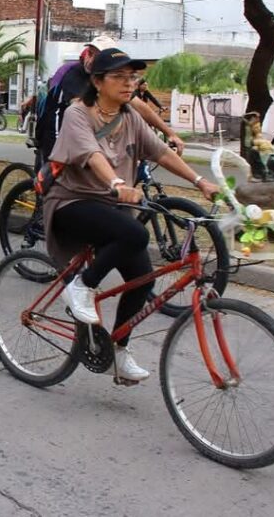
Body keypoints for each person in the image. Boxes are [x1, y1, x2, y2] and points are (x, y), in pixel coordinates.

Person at [43, 48, 219, 382]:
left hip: (110, 206)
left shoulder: (131, 117)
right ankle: (82, 285)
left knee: (142, 278)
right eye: (119, 77)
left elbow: (161, 153)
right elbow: (92, 154)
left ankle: (119, 352)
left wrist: (200, 182)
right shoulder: (77, 114)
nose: (129, 84)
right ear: (97, 82)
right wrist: (117, 182)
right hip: (72, 202)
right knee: (135, 234)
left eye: (132, 77)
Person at [36, 35, 184, 169]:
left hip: (84, 133)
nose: (90, 59)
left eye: (97, 55)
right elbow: (85, 111)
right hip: (55, 131)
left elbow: (140, 106)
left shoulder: (109, 78)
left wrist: (170, 133)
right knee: (55, 179)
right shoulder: (75, 75)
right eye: (90, 53)